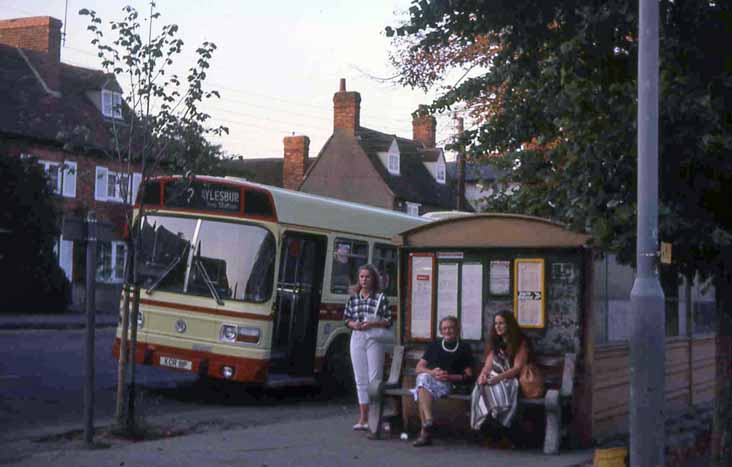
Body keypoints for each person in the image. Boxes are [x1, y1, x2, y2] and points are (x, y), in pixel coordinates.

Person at [411, 316, 474, 447]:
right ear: (441, 331)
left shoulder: (463, 347)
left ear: (457, 329)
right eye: (444, 328)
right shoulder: (434, 345)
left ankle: (425, 431)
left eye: (450, 328)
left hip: (450, 384)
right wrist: (433, 372)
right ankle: (428, 420)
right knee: (422, 378)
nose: (447, 331)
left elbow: (468, 375)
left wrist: (449, 377)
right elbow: (419, 367)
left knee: (421, 386)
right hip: (432, 380)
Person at [343, 263, 392, 431]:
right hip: (357, 336)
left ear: (374, 279)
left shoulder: (380, 298)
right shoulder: (353, 298)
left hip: (374, 337)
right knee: (360, 378)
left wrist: (372, 323)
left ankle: (375, 416)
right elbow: (346, 318)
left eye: (368, 276)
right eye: (362, 277)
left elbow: (388, 320)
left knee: (374, 378)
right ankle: (363, 417)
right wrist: (354, 325)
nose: (364, 280)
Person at [470, 309, 529, 443]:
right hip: (495, 376)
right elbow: (488, 365)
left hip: (511, 379)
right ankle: (489, 424)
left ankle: (497, 423)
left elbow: (517, 368)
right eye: (496, 323)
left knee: (497, 386)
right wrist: (482, 376)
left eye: (501, 323)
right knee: (481, 386)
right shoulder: (495, 342)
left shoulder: (520, 342)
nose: (498, 326)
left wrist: (498, 378)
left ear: (509, 325)